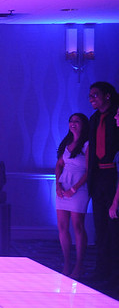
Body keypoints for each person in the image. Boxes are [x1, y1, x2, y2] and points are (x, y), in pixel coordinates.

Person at [87, 81, 119, 283]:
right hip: (98, 176)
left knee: (114, 227)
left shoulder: (116, 117)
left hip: (113, 174)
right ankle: (101, 270)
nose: (91, 99)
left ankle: (115, 275)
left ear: (107, 95)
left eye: (95, 95)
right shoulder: (94, 118)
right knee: (100, 226)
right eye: (90, 96)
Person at [55, 113, 89, 279]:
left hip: (79, 188)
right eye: (71, 121)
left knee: (77, 226)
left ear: (83, 124)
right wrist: (57, 185)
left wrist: (74, 189)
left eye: (77, 121)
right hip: (63, 186)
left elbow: (90, 171)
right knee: (62, 226)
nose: (73, 124)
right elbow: (59, 164)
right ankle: (67, 262)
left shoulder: (87, 144)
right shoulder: (67, 143)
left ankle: (79, 265)